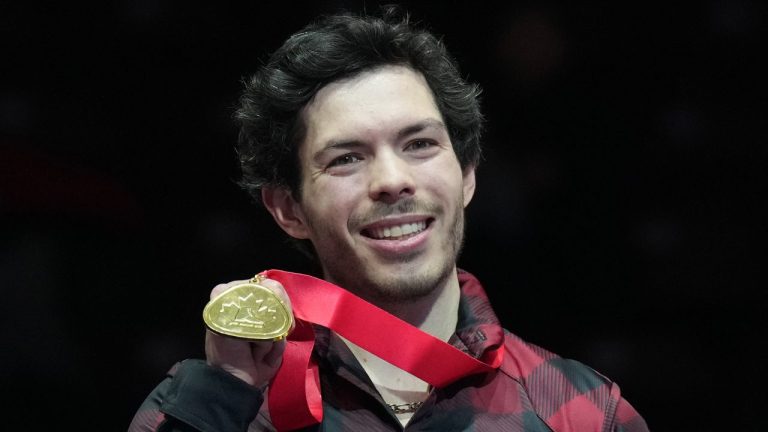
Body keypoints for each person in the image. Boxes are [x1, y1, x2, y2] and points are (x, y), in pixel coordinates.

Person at [129, 7, 649, 432]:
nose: (392, 180)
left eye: (419, 144)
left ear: (467, 175)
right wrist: (225, 398)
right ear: (288, 209)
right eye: (346, 158)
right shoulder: (214, 408)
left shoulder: (580, 411)